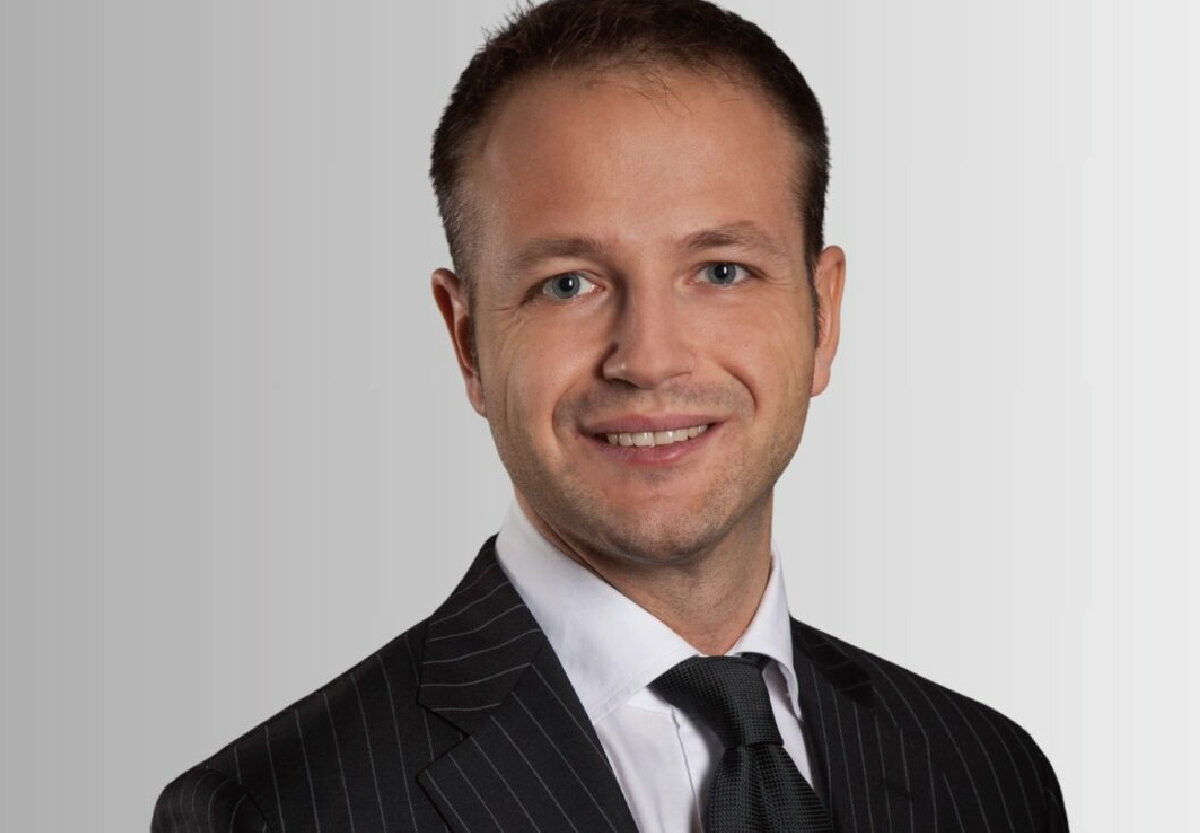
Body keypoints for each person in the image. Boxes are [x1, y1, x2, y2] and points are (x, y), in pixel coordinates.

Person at [152, 0, 1068, 830]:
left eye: (721, 271)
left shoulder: (986, 776)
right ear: (467, 341)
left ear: (822, 316)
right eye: (569, 284)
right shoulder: (274, 813)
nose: (650, 358)